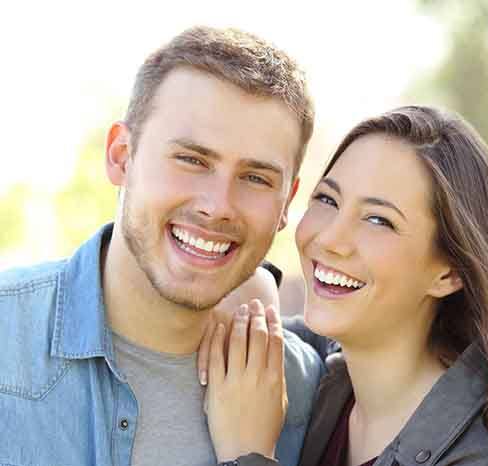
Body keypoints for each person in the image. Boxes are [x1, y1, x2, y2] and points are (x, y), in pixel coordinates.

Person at [0, 26, 323, 466]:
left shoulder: (307, 391)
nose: (217, 206)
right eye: (192, 160)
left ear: (286, 202)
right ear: (121, 156)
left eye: (255, 178)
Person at [202, 106, 488, 465]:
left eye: (379, 220)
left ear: (449, 273)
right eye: (327, 199)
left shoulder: (483, 454)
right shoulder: (329, 379)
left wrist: (248, 454)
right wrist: (255, 289)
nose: (331, 238)